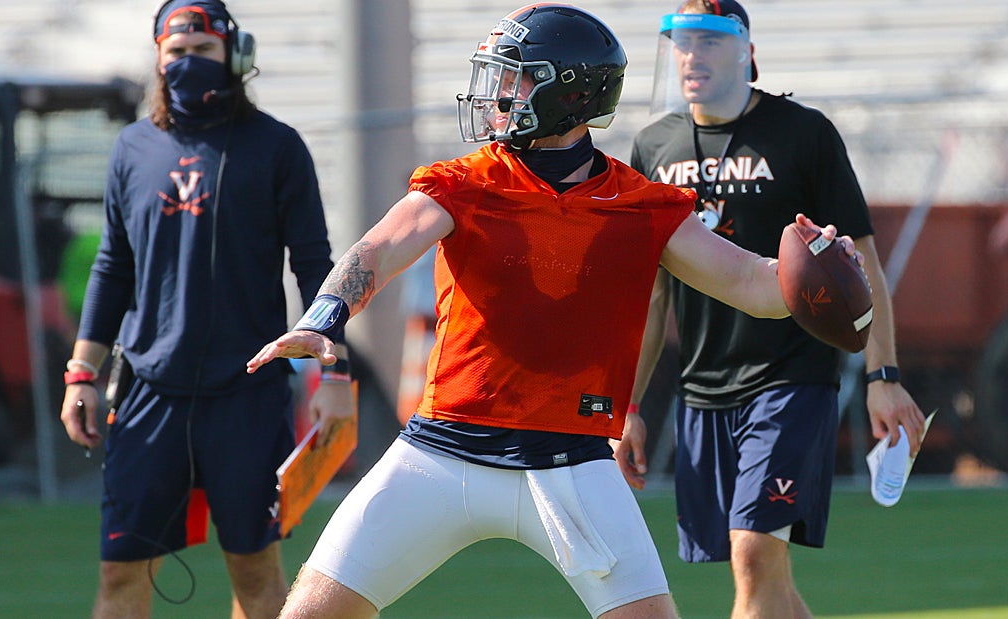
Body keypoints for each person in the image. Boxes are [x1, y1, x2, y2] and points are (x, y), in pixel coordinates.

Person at [246, 5, 859, 619]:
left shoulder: (643, 205)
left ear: (568, 92)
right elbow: (377, 249)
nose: (495, 95)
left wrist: (818, 273)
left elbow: (751, 284)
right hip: (441, 453)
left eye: (514, 78)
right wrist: (322, 318)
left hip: (572, 466)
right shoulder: (463, 181)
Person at [620, 1, 927, 617]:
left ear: (744, 49)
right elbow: (649, 296)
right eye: (680, 41)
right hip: (703, 391)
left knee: (754, 553)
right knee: (773, 584)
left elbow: (859, 264)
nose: (690, 54)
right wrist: (626, 404)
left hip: (792, 381)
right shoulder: (653, 147)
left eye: (708, 40)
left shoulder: (804, 133)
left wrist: (882, 377)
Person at [58, 1, 342, 617]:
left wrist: (335, 373)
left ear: (235, 59)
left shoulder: (277, 147)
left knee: (256, 574)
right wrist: (82, 371)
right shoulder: (131, 147)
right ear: (158, 60)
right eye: (177, 54)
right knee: (120, 575)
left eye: (203, 52)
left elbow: (316, 266)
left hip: (248, 393)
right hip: (147, 392)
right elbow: (113, 267)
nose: (189, 66)